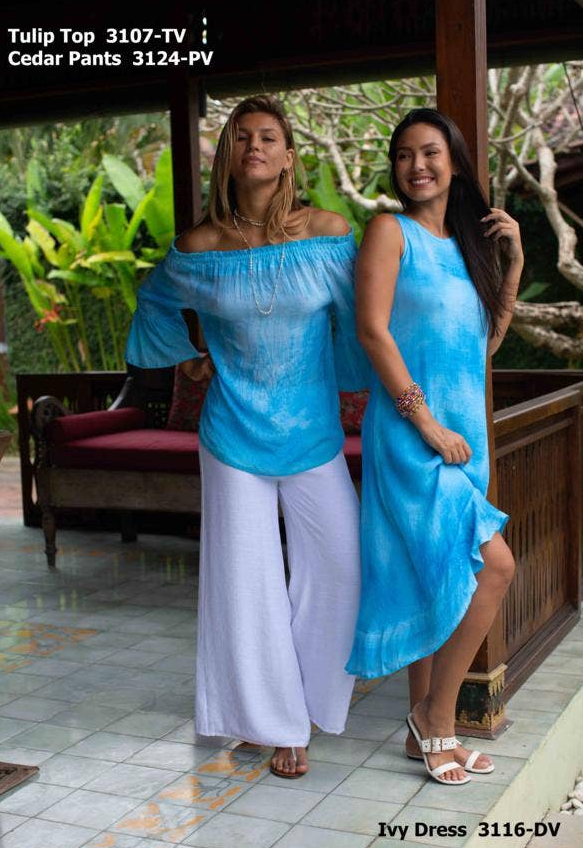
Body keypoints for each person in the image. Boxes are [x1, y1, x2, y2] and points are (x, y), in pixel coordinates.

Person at [125, 95, 369, 779]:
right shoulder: (199, 247)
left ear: (288, 156)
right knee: (245, 581)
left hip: (313, 434)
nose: (253, 146)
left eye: (267, 137)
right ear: (228, 157)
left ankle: (305, 700)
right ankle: (276, 724)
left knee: (343, 566)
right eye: (240, 137)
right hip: (231, 433)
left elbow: (362, 318)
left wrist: (382, 389)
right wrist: (187, 357)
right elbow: (154, 300)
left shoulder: (327, 234)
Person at [345, 108, 523, 785]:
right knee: (494, 566)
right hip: (411, 435)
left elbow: (484, 345)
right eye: (403, 154)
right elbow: (372, 331)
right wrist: (424, 423)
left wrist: (513, 264)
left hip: (462, 438)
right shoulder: (389, 232)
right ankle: (436, 717)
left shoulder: (466, 247)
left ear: (454, 163)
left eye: (429, 152)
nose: (416, 165)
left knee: (436, 578)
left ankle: (419, 735)